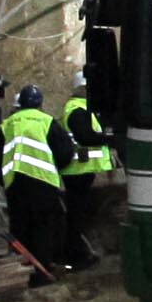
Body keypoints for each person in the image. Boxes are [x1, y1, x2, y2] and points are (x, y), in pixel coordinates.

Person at [2, 82, 82, 278]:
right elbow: (65, 151)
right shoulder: (46, 122)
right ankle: (42, 271)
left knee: (20, 227)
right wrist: (56, 168)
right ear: (40, 104)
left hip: (15, 185)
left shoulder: (7, 125)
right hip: (43, 184)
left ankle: (20, 272)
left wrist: (5, 180)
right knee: (43, 228)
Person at [55, 86, 118, 253]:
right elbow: (86, 137)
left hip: (82, 169)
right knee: (77, 214)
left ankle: (77, 250)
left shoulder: (83, 109)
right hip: (78, 169)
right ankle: (75, 252)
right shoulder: (77, 109)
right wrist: (108, 138)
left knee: (79, 213)